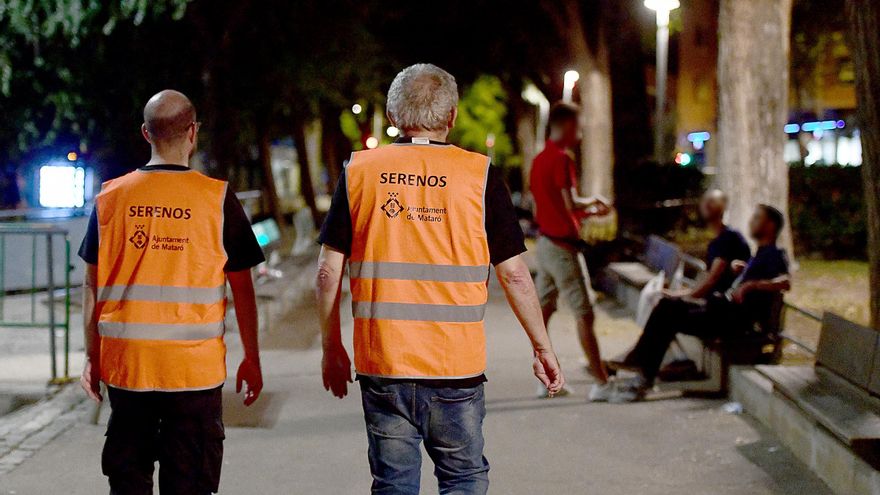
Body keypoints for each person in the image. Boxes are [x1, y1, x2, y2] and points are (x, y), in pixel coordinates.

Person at [316, 63, 564, 495]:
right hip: (455, 367)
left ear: (393, 116)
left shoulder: (359, 172)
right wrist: (542, 346)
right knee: (463, 478)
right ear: (451, 116)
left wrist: (331, 346)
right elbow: (515, 276)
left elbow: (326, 271)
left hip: (384, 363)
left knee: (393, 483)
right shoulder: (480, 176)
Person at [78, 90, 265, 494]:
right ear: (193, 132)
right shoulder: (217, 199)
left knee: (129, 484)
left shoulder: (111, 198)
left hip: (129, 369)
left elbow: (92, 284)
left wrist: (93, 355)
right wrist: (251, 357)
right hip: (193, 374)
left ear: (146, 133)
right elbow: (243, 288)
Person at [614, 204, 791, 402]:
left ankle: (642, 372)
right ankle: (641, 366)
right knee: (666, 305)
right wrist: (743, 271)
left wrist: (751, 285)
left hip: (734, 321)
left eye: (757, 218)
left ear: (770, 225)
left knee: (668, 315)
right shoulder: (760, 254)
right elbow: (761, 277)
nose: (751, 222)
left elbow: (786, 282)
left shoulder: (776, 253)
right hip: (722, 311)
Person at [529, 101, 610, 401]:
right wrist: (595, 202)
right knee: (584, 313)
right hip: (563, 248)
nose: (580, 133)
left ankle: (546, 379)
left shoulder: (539, 160)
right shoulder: (562, 159)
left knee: (544, 313)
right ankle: (602, 382)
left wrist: (586, 213)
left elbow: (546, 205)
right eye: (578, 127)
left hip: (545, 244)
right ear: (565, 125)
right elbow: (570, 202)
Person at [663, 189, 751, 300]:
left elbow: (711, 281)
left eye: (712, 201)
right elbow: (705, 283)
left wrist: (680, 297)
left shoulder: (728, 238)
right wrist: (675, 294)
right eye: (705, 201)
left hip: (724, 304)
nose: (707, 205)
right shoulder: (715, 242)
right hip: (714, 300)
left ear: (723, 207)